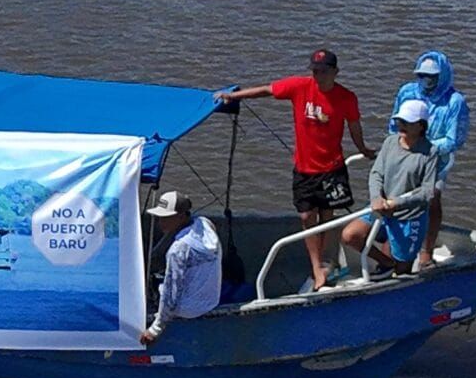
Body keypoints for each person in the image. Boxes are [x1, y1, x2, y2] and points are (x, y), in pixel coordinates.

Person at [220, 47, 373, 289]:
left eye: (323, 71)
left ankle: (327, 261)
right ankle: (316, 267)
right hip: (304, 168)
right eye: (314, 71)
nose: (318, 76)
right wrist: (234, 97)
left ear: (335, 72)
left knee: (328, 216)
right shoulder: (300, 86)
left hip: (332, 167)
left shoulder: (347, 97)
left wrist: (363, 148)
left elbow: (354, 126)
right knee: (306, 216)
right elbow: (266, 90)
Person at [340, 99, 441, 277]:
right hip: (381, 207)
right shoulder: (390, 142)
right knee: (350, 235)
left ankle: (398, 274)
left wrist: (397, 203)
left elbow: (426, 192)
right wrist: (376, 198)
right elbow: (376, 173)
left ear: (420, 126)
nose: (401, 125)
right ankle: (386, 263)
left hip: (409, 215)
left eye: (407, 122)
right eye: (400, 120)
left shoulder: (430, 152)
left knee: (403, 271)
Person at [394, 50, 469, 241]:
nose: (426, 80)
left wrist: (423, 147)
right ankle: (399, 246)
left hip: (437, 160)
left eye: (431, 76)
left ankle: (427, 249)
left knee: (432, 199)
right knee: (399, 197)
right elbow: (394, 125)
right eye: (422, 75)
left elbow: (454, 140)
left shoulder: (454, 101)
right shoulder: (407, 92)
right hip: (406, 154)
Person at [141, 190, 223, 346]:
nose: (160, 223)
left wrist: (155, 329)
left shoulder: (178, 250)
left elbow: (171, 293)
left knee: (157, 283)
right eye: (159, 218)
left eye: (165, 218)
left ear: (181, 216)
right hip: (211, 300)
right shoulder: (205, 223)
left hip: (189, 310)